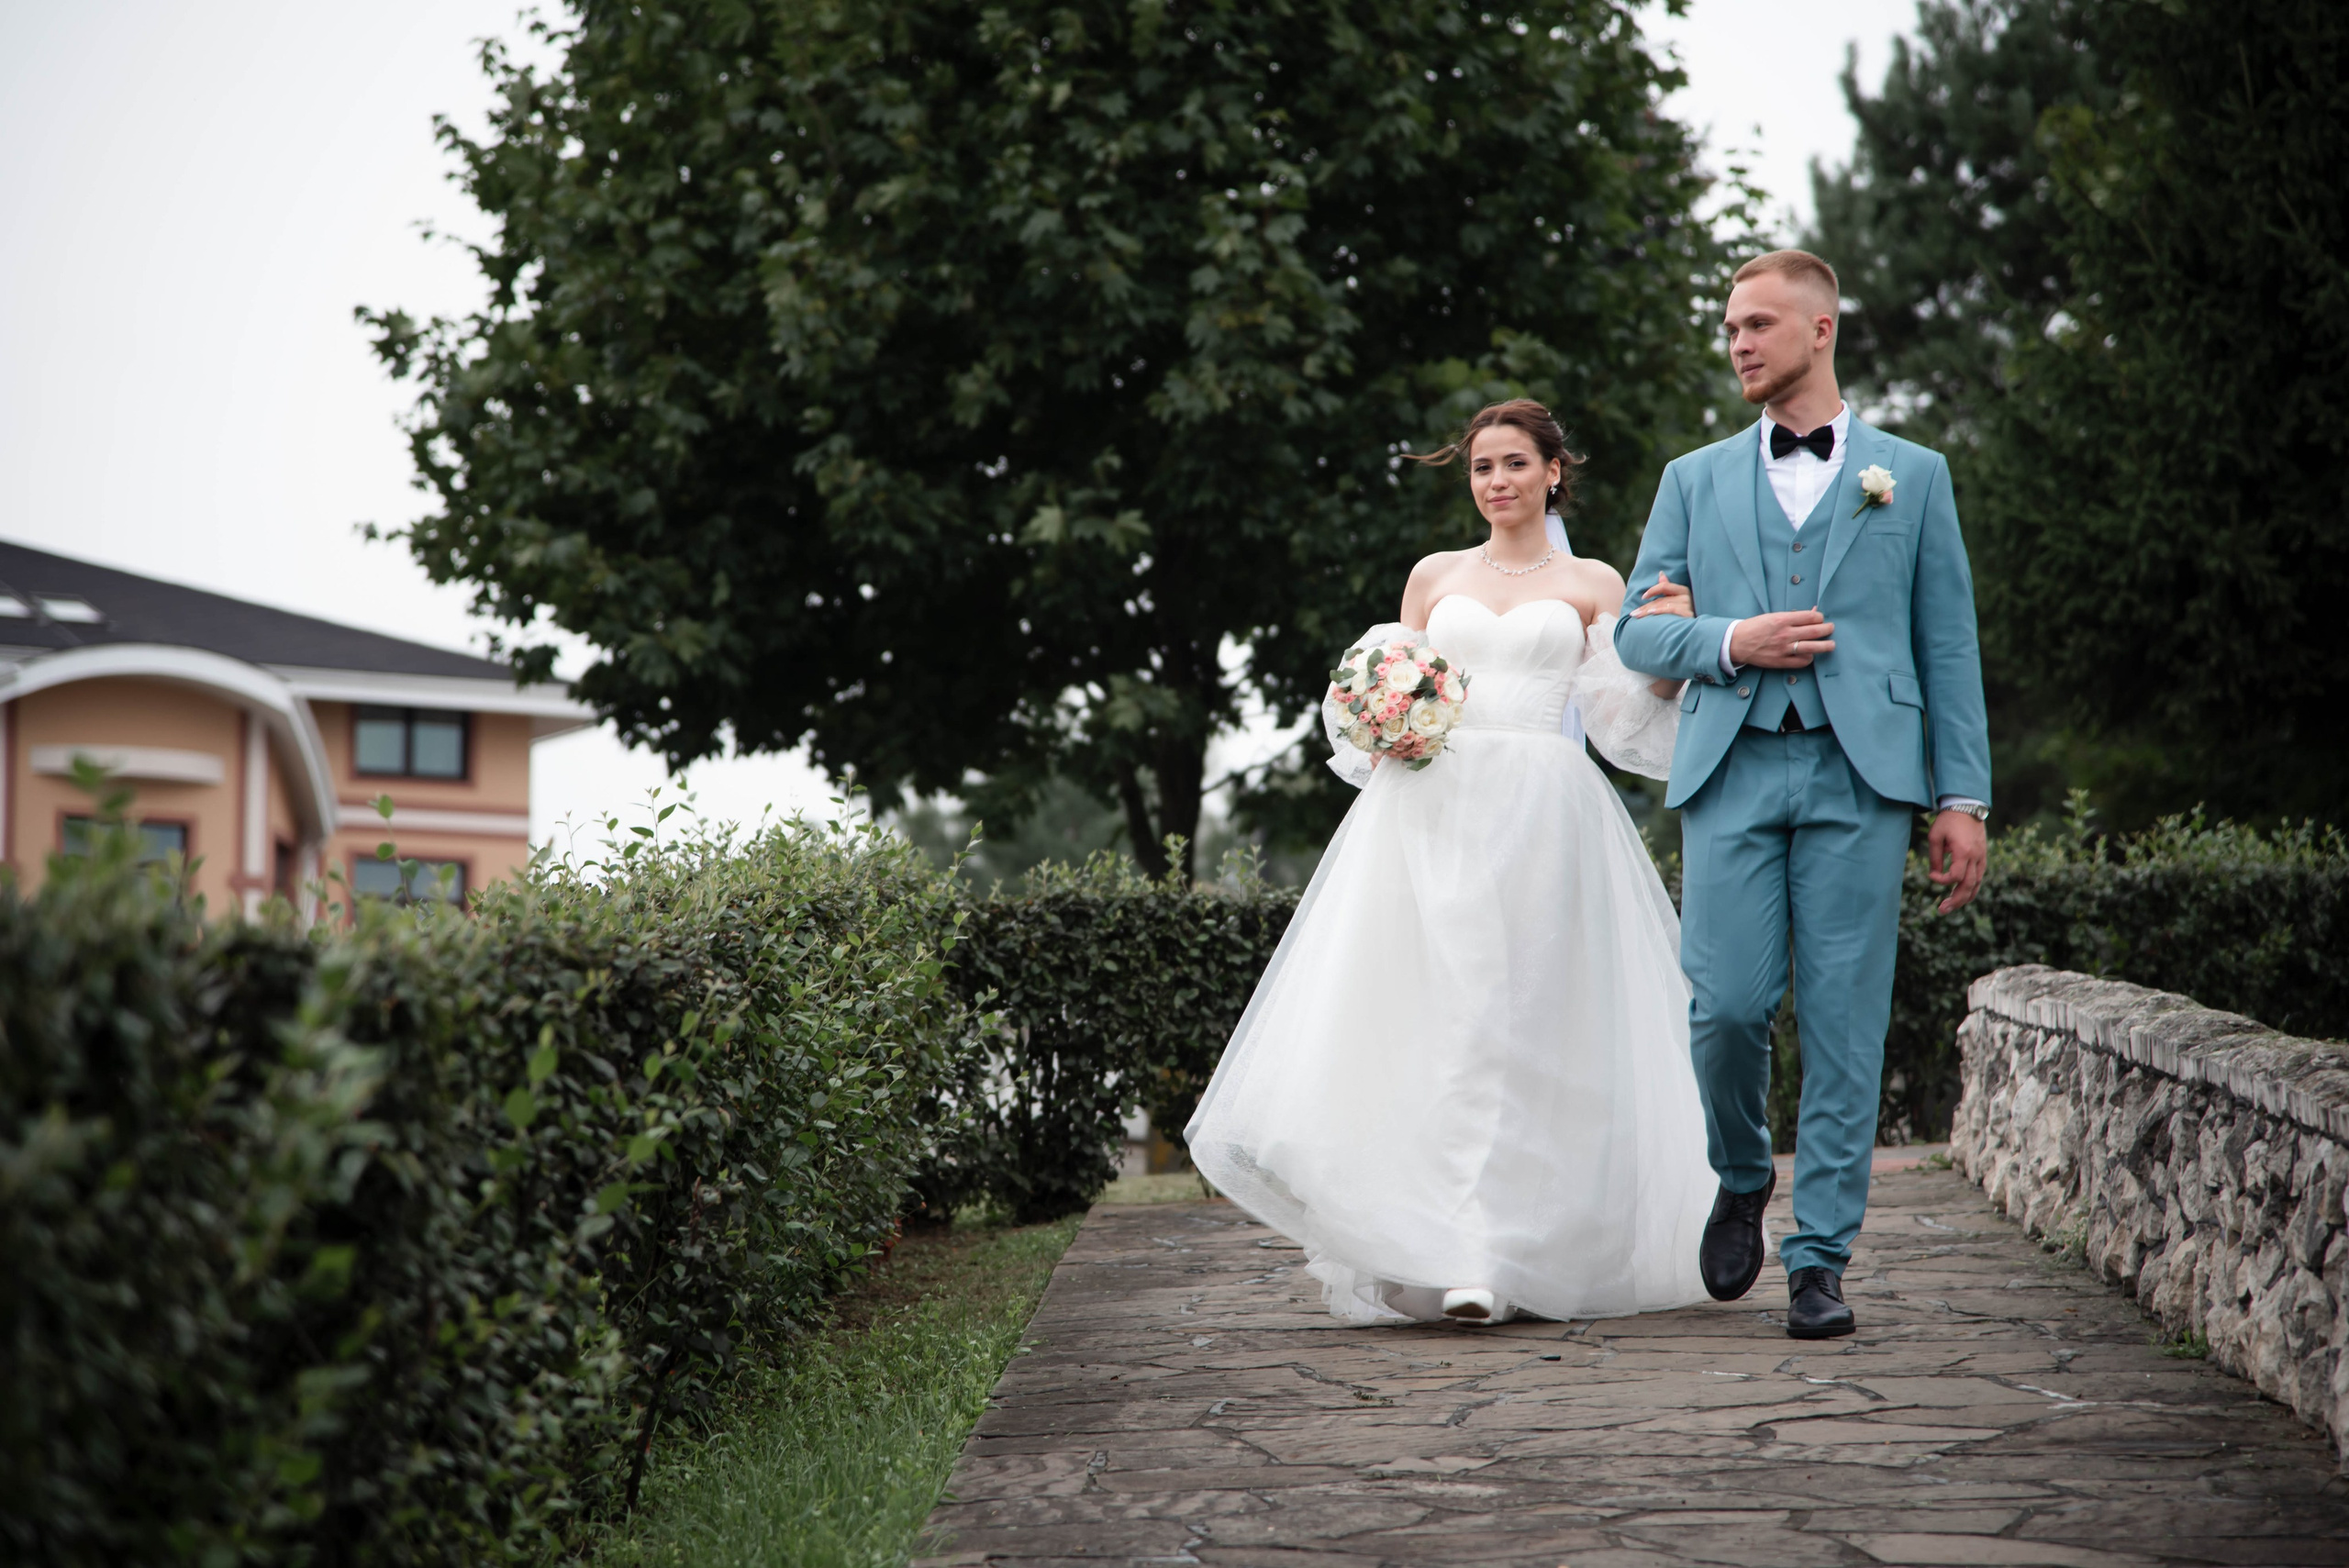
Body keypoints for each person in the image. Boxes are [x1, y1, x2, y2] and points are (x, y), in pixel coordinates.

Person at [1185, 399, 1718, 1326]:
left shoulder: (1594, 579)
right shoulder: (1433, 576)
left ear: (1555, 471)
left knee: (1526, 1027)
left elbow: (1621, 715)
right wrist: (1386, 721)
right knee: (1441, 1018)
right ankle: (1441, 1246)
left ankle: (1508, 1249)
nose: (1497, 481)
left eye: (1515, 463)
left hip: (1548, 813)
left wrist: (1671, 658)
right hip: (1430, 809)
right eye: (1481, 467)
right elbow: (1390, 688)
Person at [1613, 250, 1990, 1340]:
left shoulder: (1910, 476)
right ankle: (1740, 1173)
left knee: (1842, 1022)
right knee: (1723, 1004)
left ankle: (1819, 1258)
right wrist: (1732, 637)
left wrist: (1960, 795)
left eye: (1758, 324)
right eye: (1730, 325)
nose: (1737, 342)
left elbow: (1946, 643)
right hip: (1730, 763)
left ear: (1820, 330)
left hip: (1863, 775)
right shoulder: (1691, 477)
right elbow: (1638, 625)